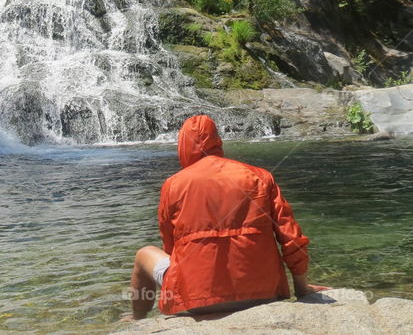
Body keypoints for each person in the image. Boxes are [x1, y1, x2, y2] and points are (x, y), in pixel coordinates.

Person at [129, 115, 328, 319]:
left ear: (183, 146)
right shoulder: (259, 176)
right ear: (217, 142)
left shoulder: (173, 184)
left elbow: (171, 248)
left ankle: (137, 319)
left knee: (144, 253)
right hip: (265, 294)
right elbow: (291, 237)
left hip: (197, 301)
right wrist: (301, 288)